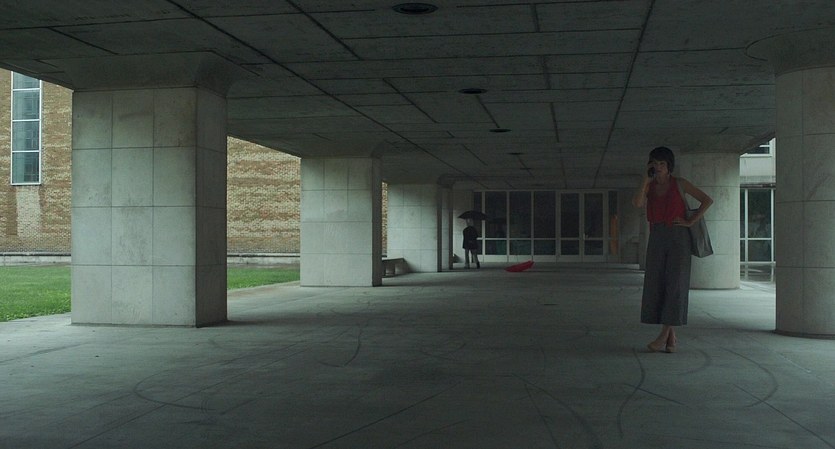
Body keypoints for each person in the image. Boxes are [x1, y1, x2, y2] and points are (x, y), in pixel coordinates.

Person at [632, 146, 713, 353]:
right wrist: (645, 180)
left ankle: (662, 336)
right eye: (655, 163)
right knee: (657, 283)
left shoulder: (680, 183)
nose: (658, 167)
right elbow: (638, 203)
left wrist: (691, 221)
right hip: (657, 236)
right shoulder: (649, 186)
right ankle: (671, 337)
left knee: (676, 285)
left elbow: (707, 200)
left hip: (678, 238)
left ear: (669, 166)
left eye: (662, 163)